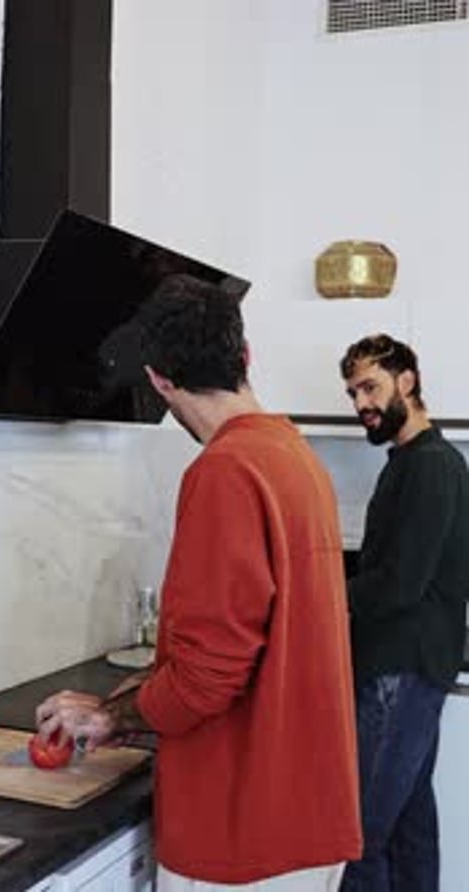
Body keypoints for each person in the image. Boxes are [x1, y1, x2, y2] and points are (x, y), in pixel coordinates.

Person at [36, 274, 362, 892]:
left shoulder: (225, 470)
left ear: (159, 380)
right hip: (304, 816)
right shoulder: (294, 456)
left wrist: (109, 718)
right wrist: (127, 705)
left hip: (243, 832)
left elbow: (207, 678)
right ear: (245, 357)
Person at [338, 333, 469, 892]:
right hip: (411, 666)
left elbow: (400, 585)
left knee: (359, 838)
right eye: (352, 392)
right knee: (411, 825)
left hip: (401, 670)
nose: (362, 403)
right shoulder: (411, 461)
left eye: (370, 386)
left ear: (407, 382)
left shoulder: (431, 466)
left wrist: (321, 593)